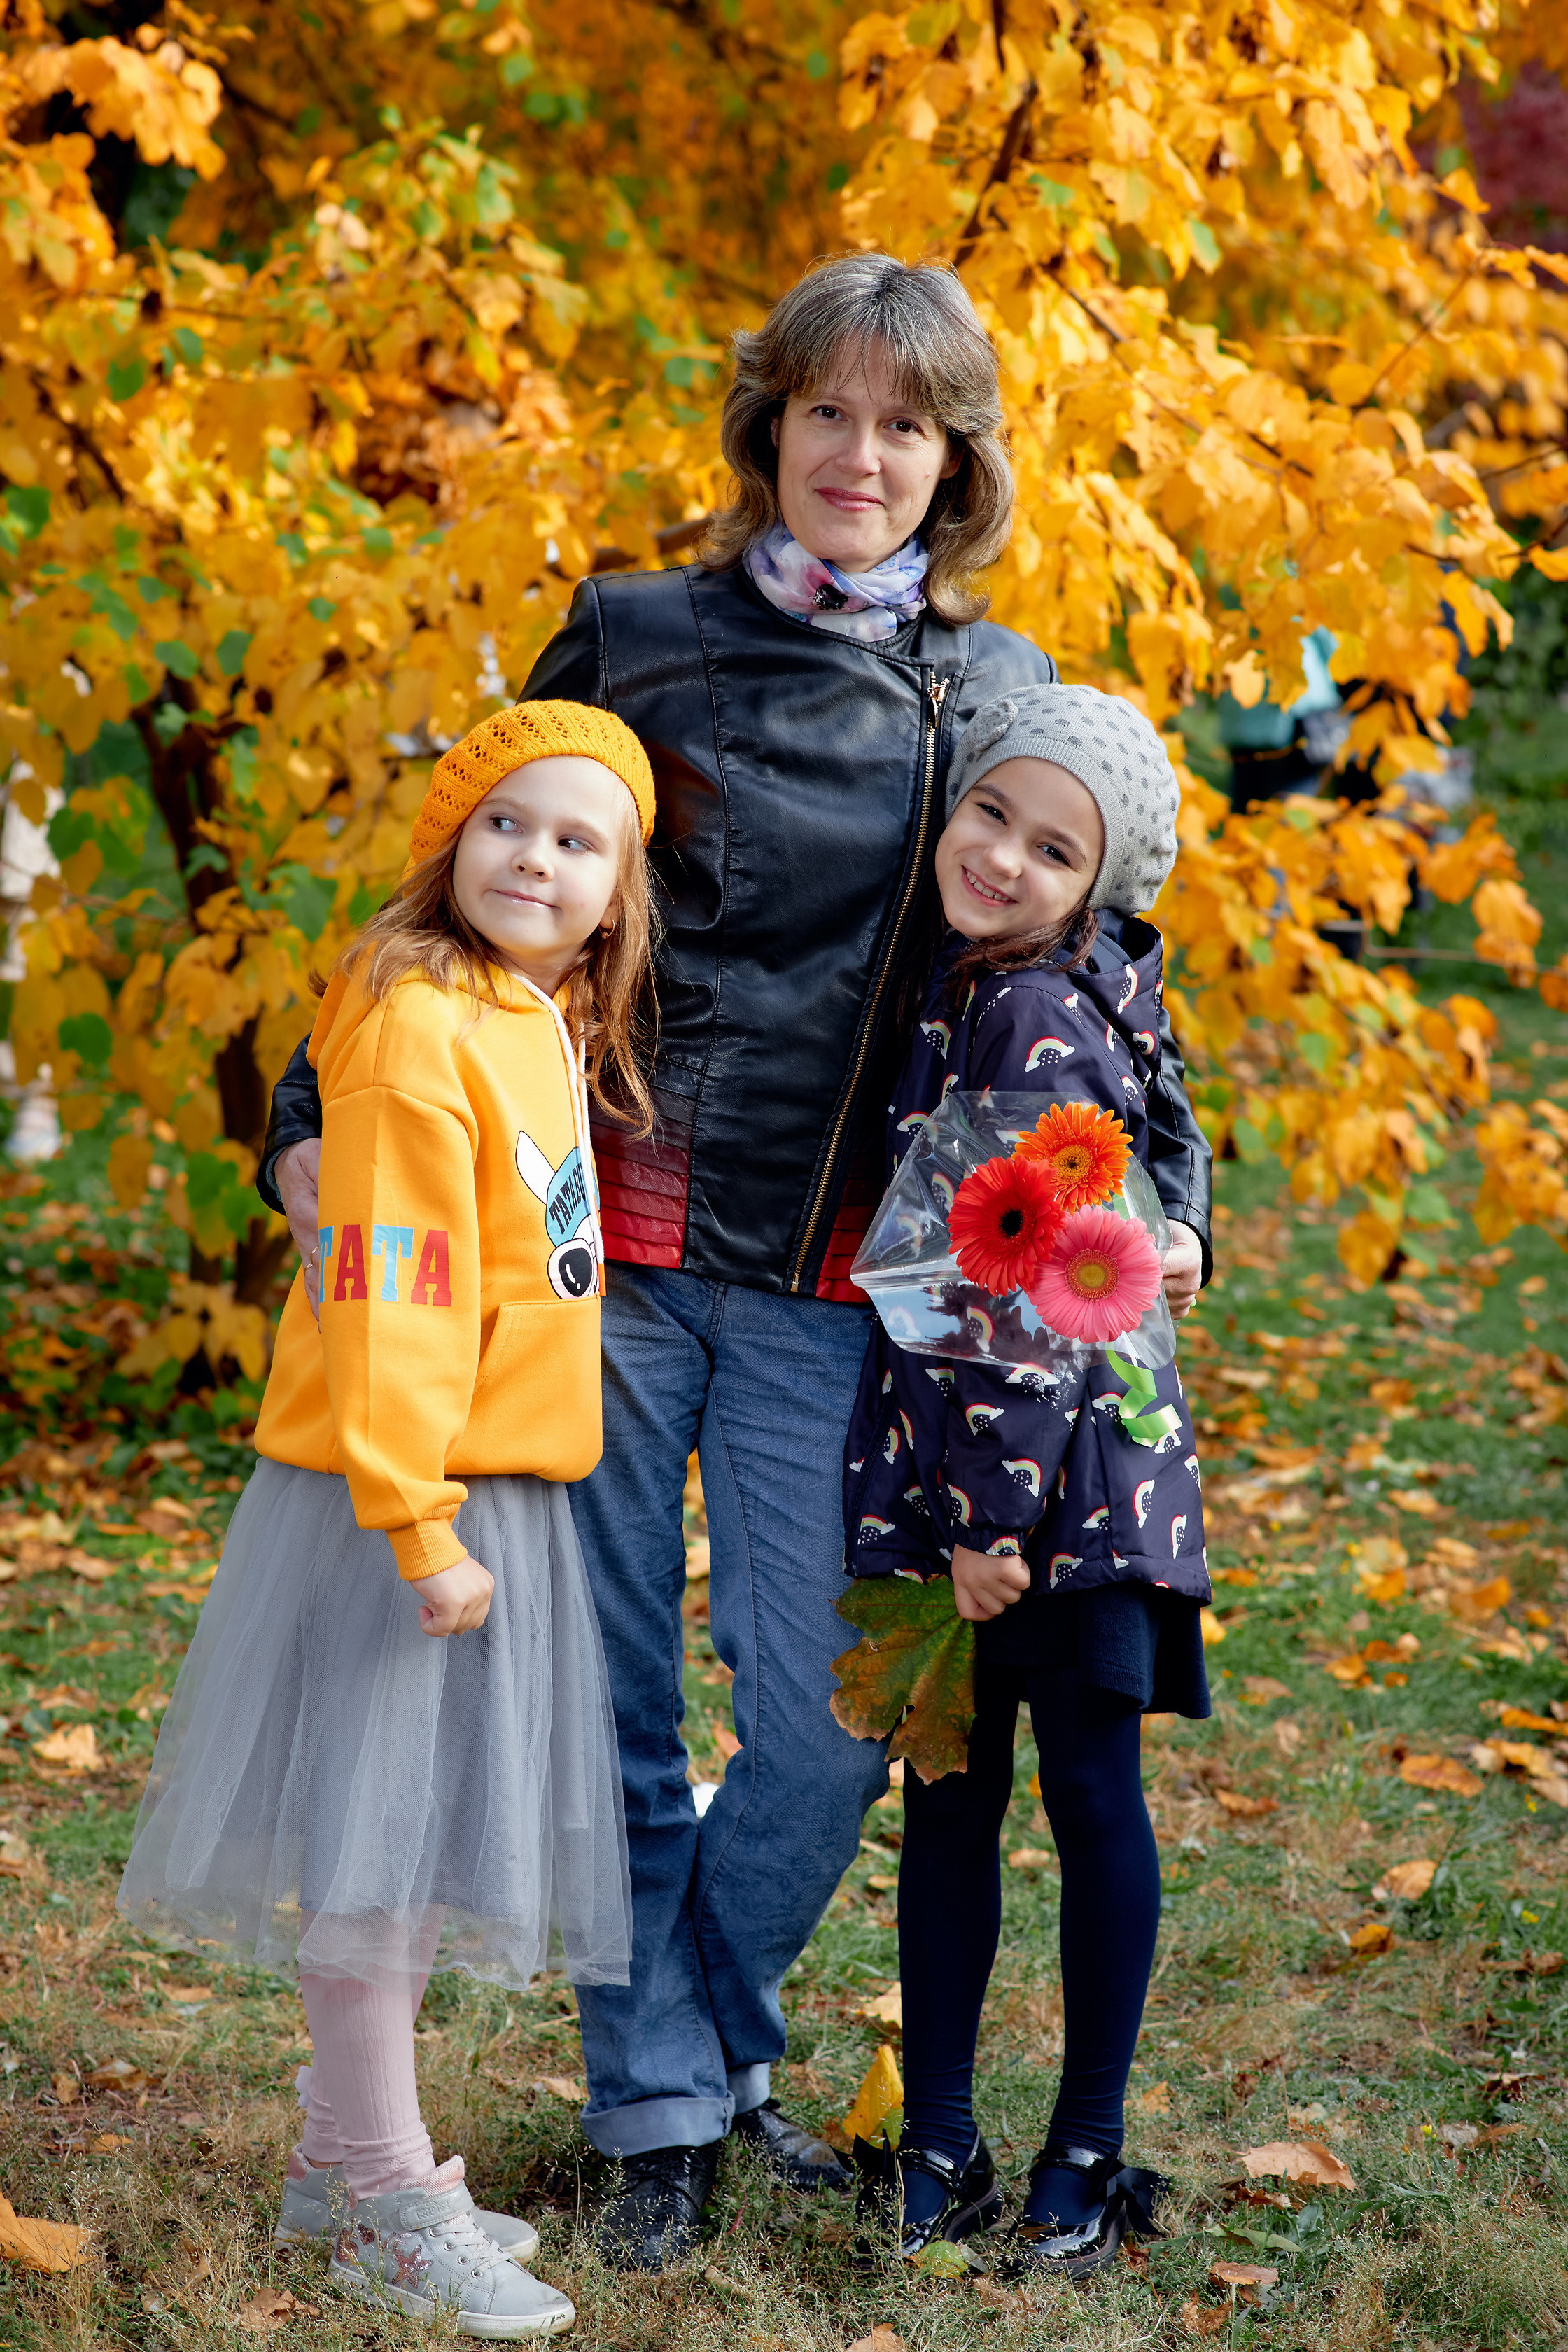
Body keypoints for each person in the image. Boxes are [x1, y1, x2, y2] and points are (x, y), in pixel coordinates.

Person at [255, 253, 1214, 2272]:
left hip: (837, 1282)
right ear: (769, 425)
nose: (859, 454)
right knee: (619, 1711)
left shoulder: (990, 689)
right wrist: (311, 1123)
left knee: (827, 1719)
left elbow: (1104, 972)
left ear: (953, 462)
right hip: (586, 1249)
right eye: (828, 411)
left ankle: (692, 2041)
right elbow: (486, 868)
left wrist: (1181, 1196)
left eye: (906, 423)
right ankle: (664, 2118)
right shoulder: (638, 631)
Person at [118, 703, 660, 2339]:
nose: (538, 859)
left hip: (487, 1473)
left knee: (410, 1851)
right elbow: (393, 1296)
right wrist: (418, 1525)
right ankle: (382, 2198)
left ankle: (335, 2154)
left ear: (620, 897)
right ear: (449, 842)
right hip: (404, 1487)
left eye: (581, 842)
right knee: (377, 1849)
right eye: (508, 825)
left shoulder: (527, 1017)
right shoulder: (418, 1024)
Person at [842, 682, 1210, 2279]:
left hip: (1043, 1488)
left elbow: (1023, 1289)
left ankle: (1072, 2151)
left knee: (1065, 1794)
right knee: (960, 1799)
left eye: (1050, 847)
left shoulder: (1033, 1012)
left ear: (1099, 883)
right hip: (1003, 1468)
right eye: (989, 811)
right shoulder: (990, 979)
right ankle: (947, 2138)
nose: (999, 855)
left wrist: (984, 1525)